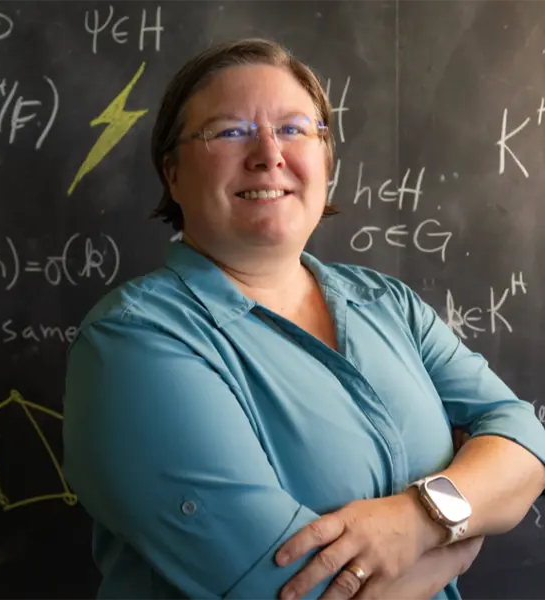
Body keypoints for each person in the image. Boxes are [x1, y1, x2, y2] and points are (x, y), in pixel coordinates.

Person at [62, 38, 545, 600]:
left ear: (325, 160)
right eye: (229, 131)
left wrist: (422, 520)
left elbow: (523, 439)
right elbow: (293, 589)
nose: (269, 154)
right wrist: (458, 540)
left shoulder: (387, 303)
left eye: (294, 129)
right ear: (173, 173)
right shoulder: (132, 343)